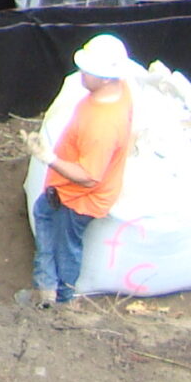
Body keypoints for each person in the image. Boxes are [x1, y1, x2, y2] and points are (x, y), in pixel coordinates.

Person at [23, 33, 137, 307]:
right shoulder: (121, 91)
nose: (82, 74)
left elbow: (88, 177)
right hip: (66, 191)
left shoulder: (102, 124)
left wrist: (46, 157)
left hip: (76, 199)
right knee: (45, 219)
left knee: (65, 248)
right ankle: (48, 289)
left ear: (106, 77)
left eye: (88, 70)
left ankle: (57, 300)